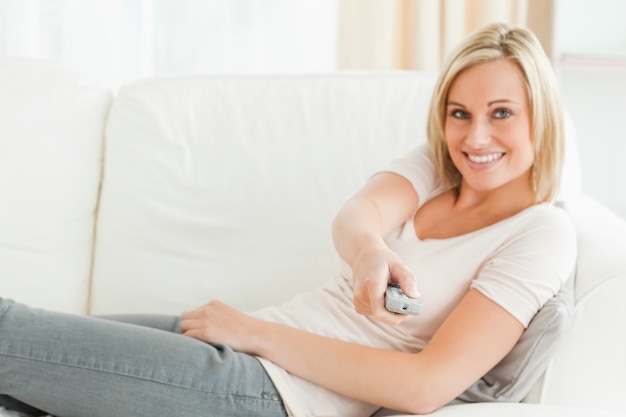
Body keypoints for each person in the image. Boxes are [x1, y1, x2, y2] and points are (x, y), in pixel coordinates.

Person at [0, 22, 575, 417]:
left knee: (10, 334)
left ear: (540, 120)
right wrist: (370, 251)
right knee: (24, 368)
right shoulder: (437, 166)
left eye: (502, 114)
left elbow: (425, 385)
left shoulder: (540, 233)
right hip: (251, 350)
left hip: (278, 394)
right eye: (460, 113)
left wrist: (255, 334)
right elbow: (359, 214)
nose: (475, 137)